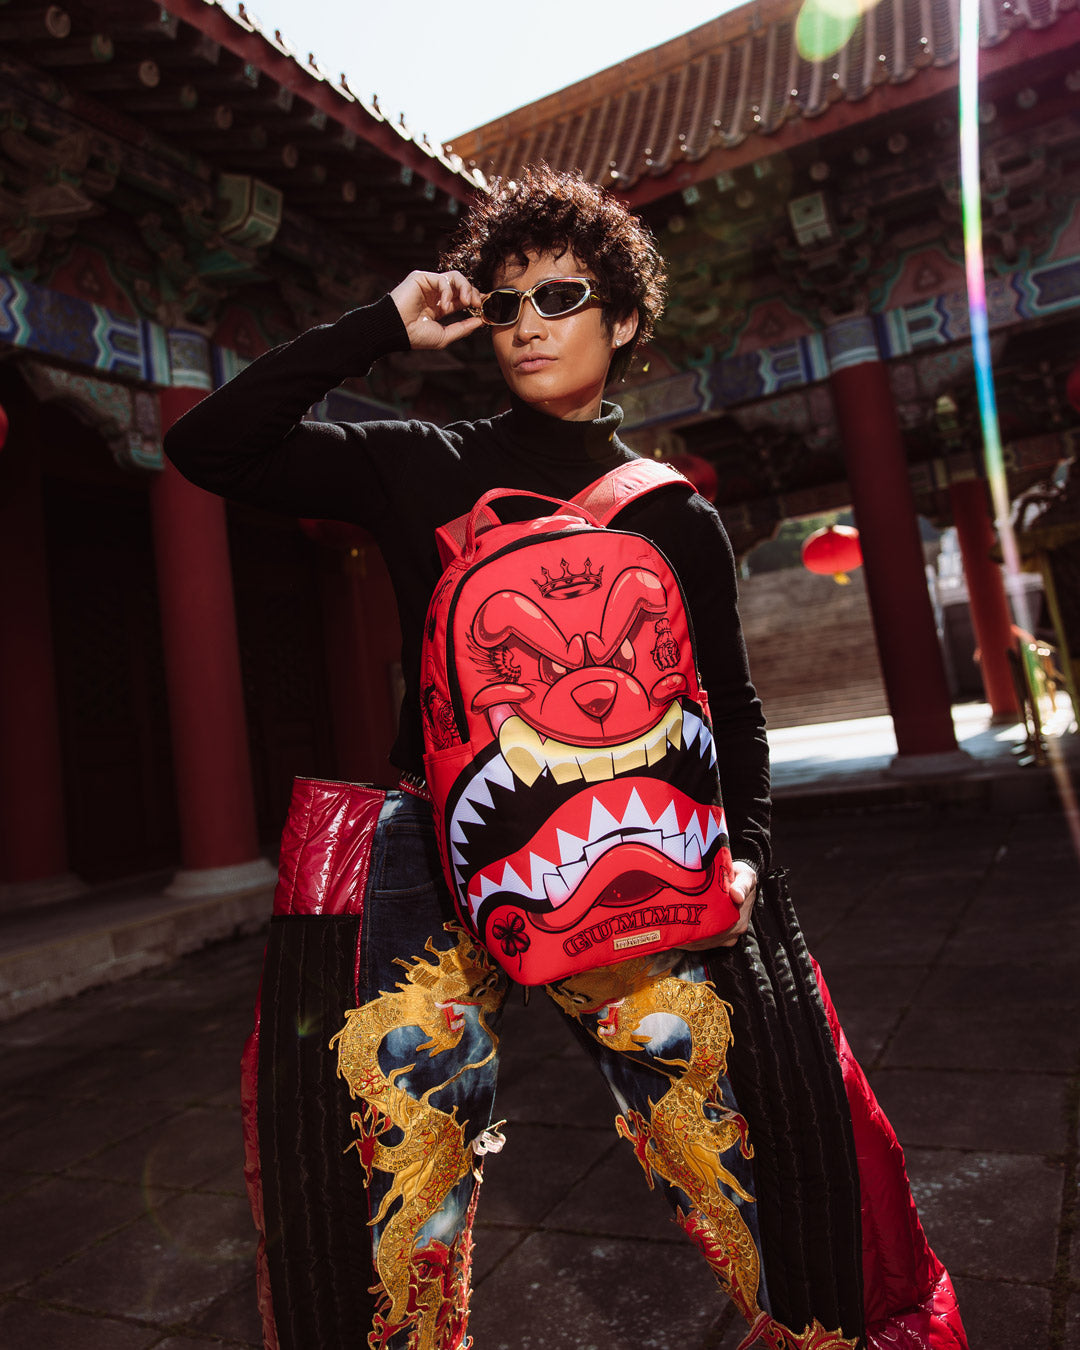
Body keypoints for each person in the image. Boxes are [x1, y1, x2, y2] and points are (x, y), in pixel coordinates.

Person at [165, 165, 965, 1350]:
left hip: (635, 851)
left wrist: (745, 852)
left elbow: (733, 710)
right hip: (435, 850)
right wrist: (382, 323)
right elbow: (210, 447)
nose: (527, 325)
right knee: (397, 1170)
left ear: (624, 319)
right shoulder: (420, 460)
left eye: (560, 297)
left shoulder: (673, 515)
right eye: (505, 303)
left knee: (731, 1134)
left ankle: (821, 1328)